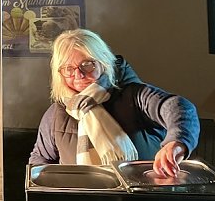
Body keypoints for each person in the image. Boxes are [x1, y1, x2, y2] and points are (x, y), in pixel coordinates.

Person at [29, 28, 200, 178]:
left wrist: (176, 144)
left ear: (104, 63)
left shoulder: (135, 95)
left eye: (87, 65)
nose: (78, 75)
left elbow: (180, 108)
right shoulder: (56, 114)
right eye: (68, 69)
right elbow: (40, 160)